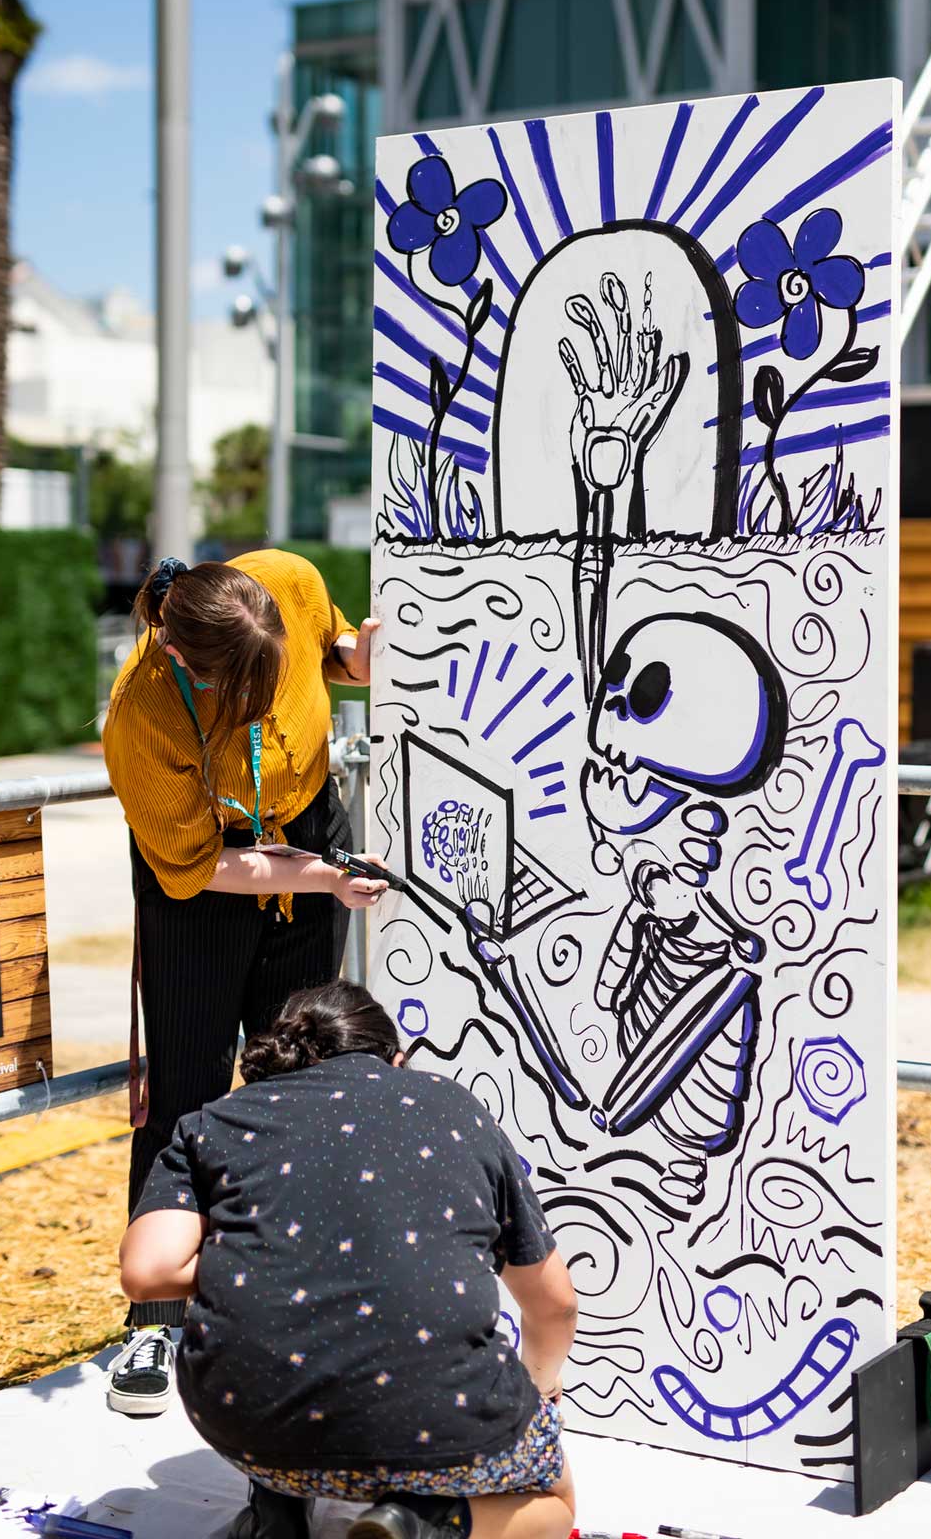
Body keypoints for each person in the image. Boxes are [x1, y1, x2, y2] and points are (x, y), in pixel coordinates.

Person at [119, 981, 578, 1539]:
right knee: (554, 1502)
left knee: (290, 1342)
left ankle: (278, 1511)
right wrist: (539, 1384)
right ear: (397, 1061)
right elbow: (555, 1305)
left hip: (248, 1419)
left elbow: (148, 1274)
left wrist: (265, 1256)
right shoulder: (454, 1107)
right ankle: (427, 1524)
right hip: (439, 1418)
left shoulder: (213, 1122)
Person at [103, 550, 391, 1416]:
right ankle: (156, 1315)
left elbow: (334, 650)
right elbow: (196, 871)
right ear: (188, 665)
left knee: (303, 1080)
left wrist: (362, 657)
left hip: (303, 827)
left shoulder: (284, 583)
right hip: (207, 872)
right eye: (247, 698)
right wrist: (322, 879)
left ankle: (292, 1292)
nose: (267, 709)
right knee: (188, 1087)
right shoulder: (140, 716)